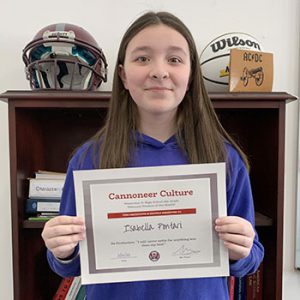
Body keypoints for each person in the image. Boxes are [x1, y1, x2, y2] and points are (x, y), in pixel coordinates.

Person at [41, 11, 264, 300]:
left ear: (191, 74)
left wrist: (241, 249)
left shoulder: (225, 159)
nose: (159, 71)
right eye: (143, 58)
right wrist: (61, 250)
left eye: (174, 59)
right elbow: (69, 263)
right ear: (122, 74)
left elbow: (252, 256)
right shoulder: (88, 159)